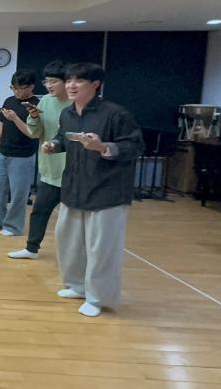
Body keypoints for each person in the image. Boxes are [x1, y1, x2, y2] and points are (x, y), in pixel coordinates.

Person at [42, 63, 144, 317]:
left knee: (101, 249)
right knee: (69, 242)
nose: (71, 85)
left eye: (78, 81)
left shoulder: (115, 114)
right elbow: (63, 137)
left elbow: (135, 146)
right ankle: (76, 286)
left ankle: (98, 298)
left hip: (107, 191)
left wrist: (102, 147)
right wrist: (54, 145)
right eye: (68, 80)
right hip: (74, 188)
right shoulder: (68, 114)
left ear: (95, 84)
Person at [4, 61, 72, 260]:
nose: (49, 86)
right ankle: (31, 249)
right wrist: (33, 116)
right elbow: (35, 132)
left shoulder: (76, 104)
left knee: (72, 219)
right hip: (49, 169)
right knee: (39, 211)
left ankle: (72, 255)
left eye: (53, 81)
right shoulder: (46, 102)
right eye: (47, 81)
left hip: (73, 171)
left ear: (67, 82)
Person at [0, 70, 39, 236]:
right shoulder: (9, 101)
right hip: (3, 153)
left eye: (20, 88)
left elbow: (32, 133)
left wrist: (15, 118)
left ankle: (13, 227)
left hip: (23, 156)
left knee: (18, 194)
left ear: (31, 87)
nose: (16, 92)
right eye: (13, 88)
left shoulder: (35, 106)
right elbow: (0, 125)